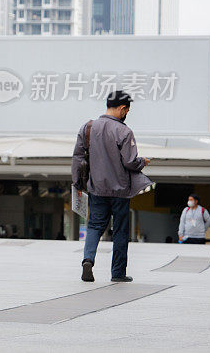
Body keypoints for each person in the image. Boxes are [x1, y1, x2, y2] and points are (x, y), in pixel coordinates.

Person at [72, 91, 152, 283]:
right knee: (120, 231)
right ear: (122, 108)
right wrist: (143, 161)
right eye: (127, 110)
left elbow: (78, 157)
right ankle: (117, 273)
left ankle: (88, 260)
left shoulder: (88, 128)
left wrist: (78, 183)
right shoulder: (124, 131)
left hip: (96, 188)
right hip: (120, 190)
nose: (126, 114)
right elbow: (130, 162)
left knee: (94, 226)